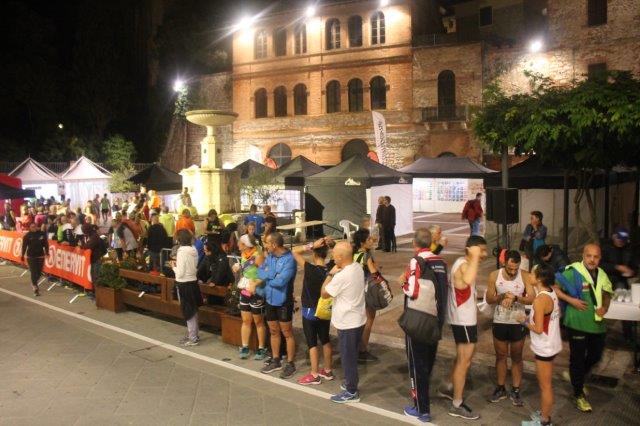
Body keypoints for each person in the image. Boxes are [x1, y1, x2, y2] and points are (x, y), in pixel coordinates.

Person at [553, 244, 613, 413]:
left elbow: (607, 293)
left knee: (596, 356)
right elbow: (555, 288)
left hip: (597, 324)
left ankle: (575, 376)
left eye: (596, 256)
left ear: (600, 258)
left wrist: (605, 308)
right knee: (577, 359)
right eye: (589, 256)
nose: (592, 260)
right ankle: (578, 394)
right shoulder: (573, 272)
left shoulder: (602, 274)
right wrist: (571, 300)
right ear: (583, 255)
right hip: (576, 323)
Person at [400, 228, 448, 423]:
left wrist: (402, 283)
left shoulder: (417, 260)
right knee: (427, 362)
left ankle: (422, 409)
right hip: (436, 320)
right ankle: (423, 399)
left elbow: (412, 290)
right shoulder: (441, 262)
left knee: (416, 364)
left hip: (418, 321)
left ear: (414, 243)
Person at [440, 235, 488, 420]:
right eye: (481, 250)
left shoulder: (464, 262)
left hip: (465, 320)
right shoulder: (463, 265)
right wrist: (475, 256)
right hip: (463, 321)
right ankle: (457, 404)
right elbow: (466, 281)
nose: (484, 254)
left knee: (463, 357)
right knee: (464, 361)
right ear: (471, 249)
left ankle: (448, 386)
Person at [485, 250, 535, 406]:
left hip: (518, 322)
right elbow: (489, 298)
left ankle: (516, 389)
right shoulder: (494, 275)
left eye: (516, 268)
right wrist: (502, 296)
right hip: (500, 321)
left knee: (517, 356)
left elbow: (532, 298)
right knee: (500, 356)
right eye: (510, 268)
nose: (513, 272)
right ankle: (500, 388)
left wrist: (516, 298)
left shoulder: (525, 275)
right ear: (503, 263)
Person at [516, 265, 562, 426]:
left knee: (545, 386)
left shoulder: (540, 300)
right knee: (545, 384)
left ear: (540, 278)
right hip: (551, 344)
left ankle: (545, 421)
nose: (529, 275)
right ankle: (544, 412)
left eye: (532, 273)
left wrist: (524, 321)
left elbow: (538, 329)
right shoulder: (551, 292)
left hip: (545, 348)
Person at [321, 241, 366, 403]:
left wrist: (330, 274)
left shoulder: (341, 275)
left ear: (340, 257)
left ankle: (351, 391)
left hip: (348, 323)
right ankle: (350, 382)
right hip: (358, 319)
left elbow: (324, 293)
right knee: (351, 354)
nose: (332, 256)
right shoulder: (357, 267)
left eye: (334, 254)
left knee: (348, 358)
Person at [292, 237, 335, 385]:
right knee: (325, 339)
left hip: (310, 311)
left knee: (312, 343)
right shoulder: (331, 268)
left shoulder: (310, 269)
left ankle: (314, 374)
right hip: (325, 310)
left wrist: (311, 245)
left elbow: (294, 251)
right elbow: (338, 253)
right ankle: (327, 370)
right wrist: (332, 244)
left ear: (314, 254)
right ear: (326, 253)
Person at [255, 232, 297, 379]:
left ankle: (290, 363)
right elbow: (260, 272)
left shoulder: (290, 260)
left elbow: (281, 282)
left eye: (266, 243)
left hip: (284, 301)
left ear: (274, 244)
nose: (265, 246)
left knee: (287, 332)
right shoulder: (270, 257)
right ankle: (276, 359)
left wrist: (268, 277)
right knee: (273, 331)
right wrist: (271, 275)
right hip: (269, 299)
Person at [234, 233, 267, 360]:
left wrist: (255, 284)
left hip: (256, 291)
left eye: (239, 243)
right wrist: (239, 269)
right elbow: (245, 273)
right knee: (246, 320)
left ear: (245, 244)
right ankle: (245, 346)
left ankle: (261, 348)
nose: (237, 244)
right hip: (245, 290)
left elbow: (265, 274)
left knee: (258, 321)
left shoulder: (258, 256)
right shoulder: (244, 254)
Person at [601, 226, 636, 342]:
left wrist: (631, 272)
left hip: (621, 281)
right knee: (602, 305)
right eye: (619, 239)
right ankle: (599, 333)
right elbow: (600, 265)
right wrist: (617, 267)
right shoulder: (605, 247)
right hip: (606, 280)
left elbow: (635, 267)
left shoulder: (630, 249)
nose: (621, 242)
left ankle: (629, 336)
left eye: (623, 240)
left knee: (626, 306)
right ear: (614, 236)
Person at [352, 228, 380, 362]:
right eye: (368, 239)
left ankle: (355, 347)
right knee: (369, 318)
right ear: (362, 242)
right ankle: (362, 350)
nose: (371, 241)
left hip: (355, 291)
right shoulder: (366, 255)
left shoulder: (353, 253)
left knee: (358, 320)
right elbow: (374, 273)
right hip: (366, 292)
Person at [172, 229, 201, 346]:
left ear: (180, 239)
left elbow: (180, 273)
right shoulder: (194, 249)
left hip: (184, 283)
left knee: (188, 311)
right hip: (193, 281)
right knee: (193, 310)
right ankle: (194, 335)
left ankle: (192, 338)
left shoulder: (181, 252)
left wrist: (173, 266)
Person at [21, 221, 49, 297]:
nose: (34, 228)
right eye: (32, 227)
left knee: (39, 272)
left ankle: (34, 282)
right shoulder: (27, 236)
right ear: (29, 228)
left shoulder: (42, 234)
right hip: (31, 256)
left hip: (40, 255)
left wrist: (47, 252)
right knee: (33, 272)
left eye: (35, 226)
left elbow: (46, 244)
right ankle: (35, 288)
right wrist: (22, 255)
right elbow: (24, 246)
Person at [79, 223, 105, 288]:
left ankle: (97, 290)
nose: (83, 232)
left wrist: (82, 246)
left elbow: (89, 246)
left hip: (96, 258)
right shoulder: (87, 235)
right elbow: (84, 243)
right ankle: (94, 290)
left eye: (84, 230)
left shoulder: (94, 236)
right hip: (91, 259)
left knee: (96, 275)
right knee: (92, 275)